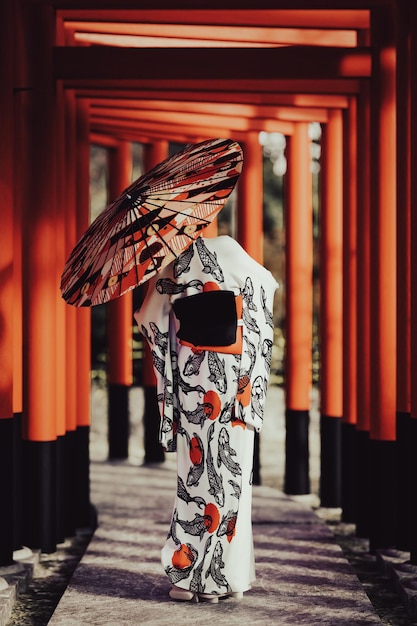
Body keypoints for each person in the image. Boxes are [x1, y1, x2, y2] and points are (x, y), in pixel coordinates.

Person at [134, 234, 278, 603]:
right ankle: (231, 578)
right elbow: (264, 308)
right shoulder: (245, 262)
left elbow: (148, 317)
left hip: (198, 379)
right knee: (233, 481)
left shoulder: (178, 260)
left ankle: (191, 580)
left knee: (196, 479)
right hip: (237, 383)